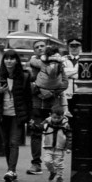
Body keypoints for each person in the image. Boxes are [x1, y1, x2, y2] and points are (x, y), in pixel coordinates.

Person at [0, 49, 33, 182]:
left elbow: (28, 98)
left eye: (12, 59)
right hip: (2, 115)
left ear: (16, 61)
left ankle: (11, 170)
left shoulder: (24, 77)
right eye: (6, 58)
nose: (9, 61)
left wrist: (30, 117)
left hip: (17, 115)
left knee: (14, 143)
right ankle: (11, 170)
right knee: (6, 143)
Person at [26, 44, 72, 175]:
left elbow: (65, 82)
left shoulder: (57, 65)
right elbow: (25, 83)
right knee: (35, 132)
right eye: (37, 47)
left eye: (42, 47)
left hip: (52, 104)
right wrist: (39, 89)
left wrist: (51, 92)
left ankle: (54, 163)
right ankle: (36, 163)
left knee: (55, 132)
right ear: (34, 51)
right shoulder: (31, 67)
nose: (40, 48)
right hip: (36, 103)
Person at [41, 104, 72, 182]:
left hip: (60, 148)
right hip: (48, 146)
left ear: (62, 116)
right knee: (47, 161)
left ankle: (59, 176)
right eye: (54, 118)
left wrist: (69, 147)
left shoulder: (65, 125)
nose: (56, 120)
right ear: (50, 115)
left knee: (58, 163)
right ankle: (52, 172)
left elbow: (69, 136)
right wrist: (34, 126)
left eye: (59, 118)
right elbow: (39, 128)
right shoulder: (46, 123)